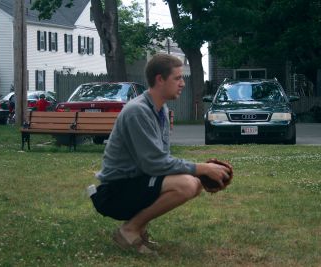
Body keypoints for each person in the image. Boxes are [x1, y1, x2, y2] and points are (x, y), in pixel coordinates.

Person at [90, 54, 230, 255]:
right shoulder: (138, 111)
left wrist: (197, 172)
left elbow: (160, 160)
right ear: (160, 79)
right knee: (187, 184)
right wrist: (203, 168)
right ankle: (129, 230)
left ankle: (138, 227)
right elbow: (155, 164)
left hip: (136, 181)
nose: (182, 83)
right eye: (177, 78)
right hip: (114, 192)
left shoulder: (160, 109)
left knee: (194, 181)